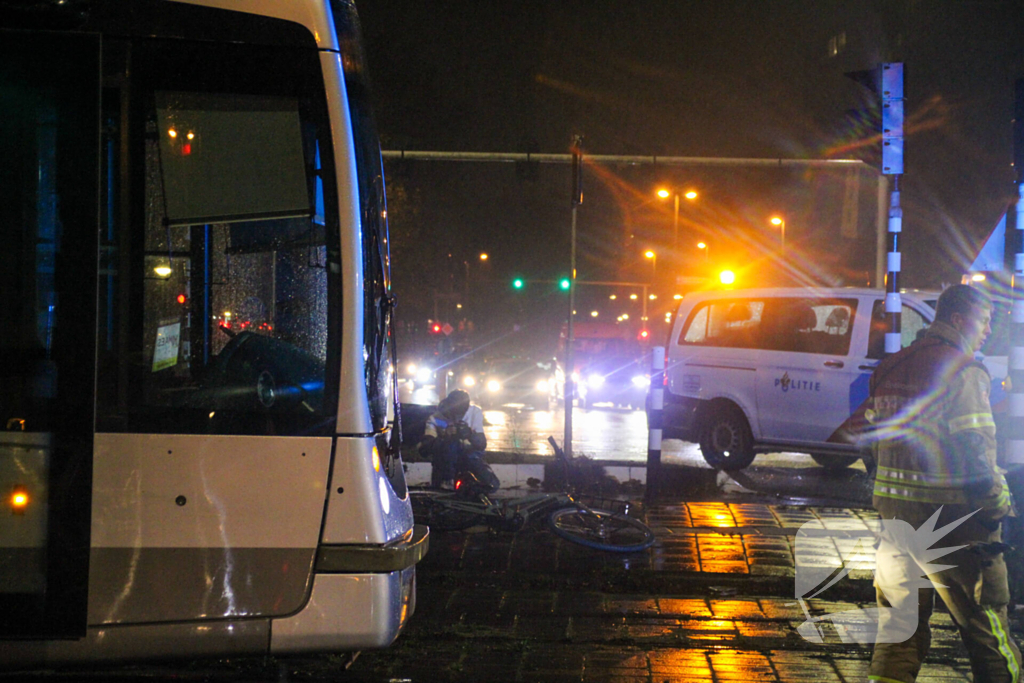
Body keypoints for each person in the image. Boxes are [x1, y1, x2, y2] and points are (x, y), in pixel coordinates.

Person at [867, 284, 1020, 682]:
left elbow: (871, 444)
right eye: (983, 321)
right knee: (988, 632)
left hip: (897, 523)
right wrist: (997, 505)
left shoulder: (890, 368)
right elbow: (974, 449)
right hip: (954, 524)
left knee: (898, 634)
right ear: (958, 320)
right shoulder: (963, 371)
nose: (988, 330)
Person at [420, 389, 488, 489]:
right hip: (444, 462)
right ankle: (447, 480)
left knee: (489, 482)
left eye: (460, 415)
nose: (456, 418)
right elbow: (425, 449)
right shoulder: (436, 418)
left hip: (469, 459)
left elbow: (481, 444)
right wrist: (445, 436)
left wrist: (469, 434)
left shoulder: (474, 412)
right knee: (451, 445)